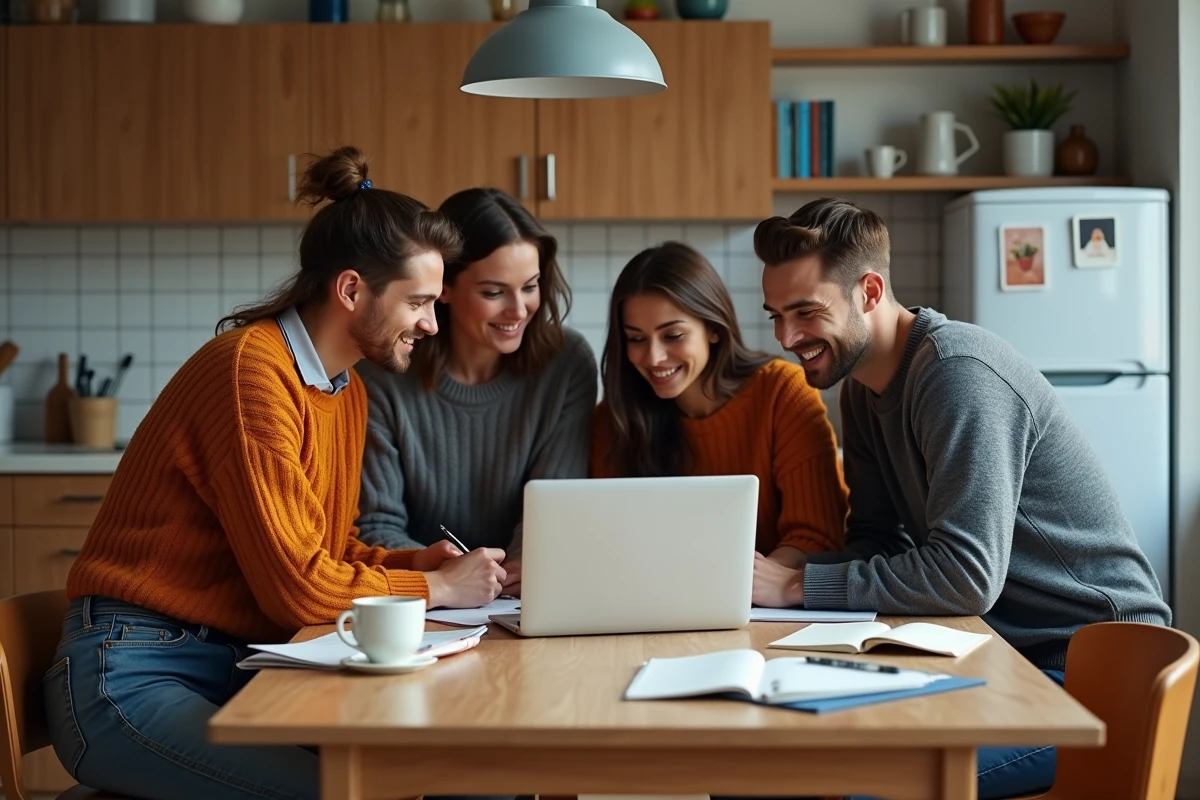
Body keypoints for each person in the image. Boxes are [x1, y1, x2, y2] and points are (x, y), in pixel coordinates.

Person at [43, 147, 509, 800]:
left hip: (236, 666)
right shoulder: (251, 373)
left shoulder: (344, 389)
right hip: (133, 676)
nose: (431, 324)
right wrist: (436, 587)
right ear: (351, 290)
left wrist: (414, 561)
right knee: (344, 793)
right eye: (420, 302)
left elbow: (325, 551)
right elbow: (295, 590)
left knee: (452, 772)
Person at [755, 197, 1171, 800]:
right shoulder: (863, 393)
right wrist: (780, 572)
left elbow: (967, 577)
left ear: (869, 292)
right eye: (775, 315)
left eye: (805, 312)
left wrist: (794, 588)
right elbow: (883, 540)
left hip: (1090, 673)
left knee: (853, 787)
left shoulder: (956, 373)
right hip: (995, 654)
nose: (787, 337)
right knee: (776, 763)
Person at [356, 187, 597, 599]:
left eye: (531, 286)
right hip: (425, 600)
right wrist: (456, 578)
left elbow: (556, 509)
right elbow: (378, 526)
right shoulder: (383, 372)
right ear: (443, 287)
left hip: (528, 594)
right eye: (494, 292)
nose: (519, 310)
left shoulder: (567, 364)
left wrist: (520, 570)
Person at [590, 241, 848, 604]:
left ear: (713, 328)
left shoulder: (782, 394)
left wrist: (748, 585)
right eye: (636, 339)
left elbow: (817, 536)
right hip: (653, 606)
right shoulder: (615, 417)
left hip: (761, 610)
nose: (653, 356)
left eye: (673, 335)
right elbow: (604, 540)